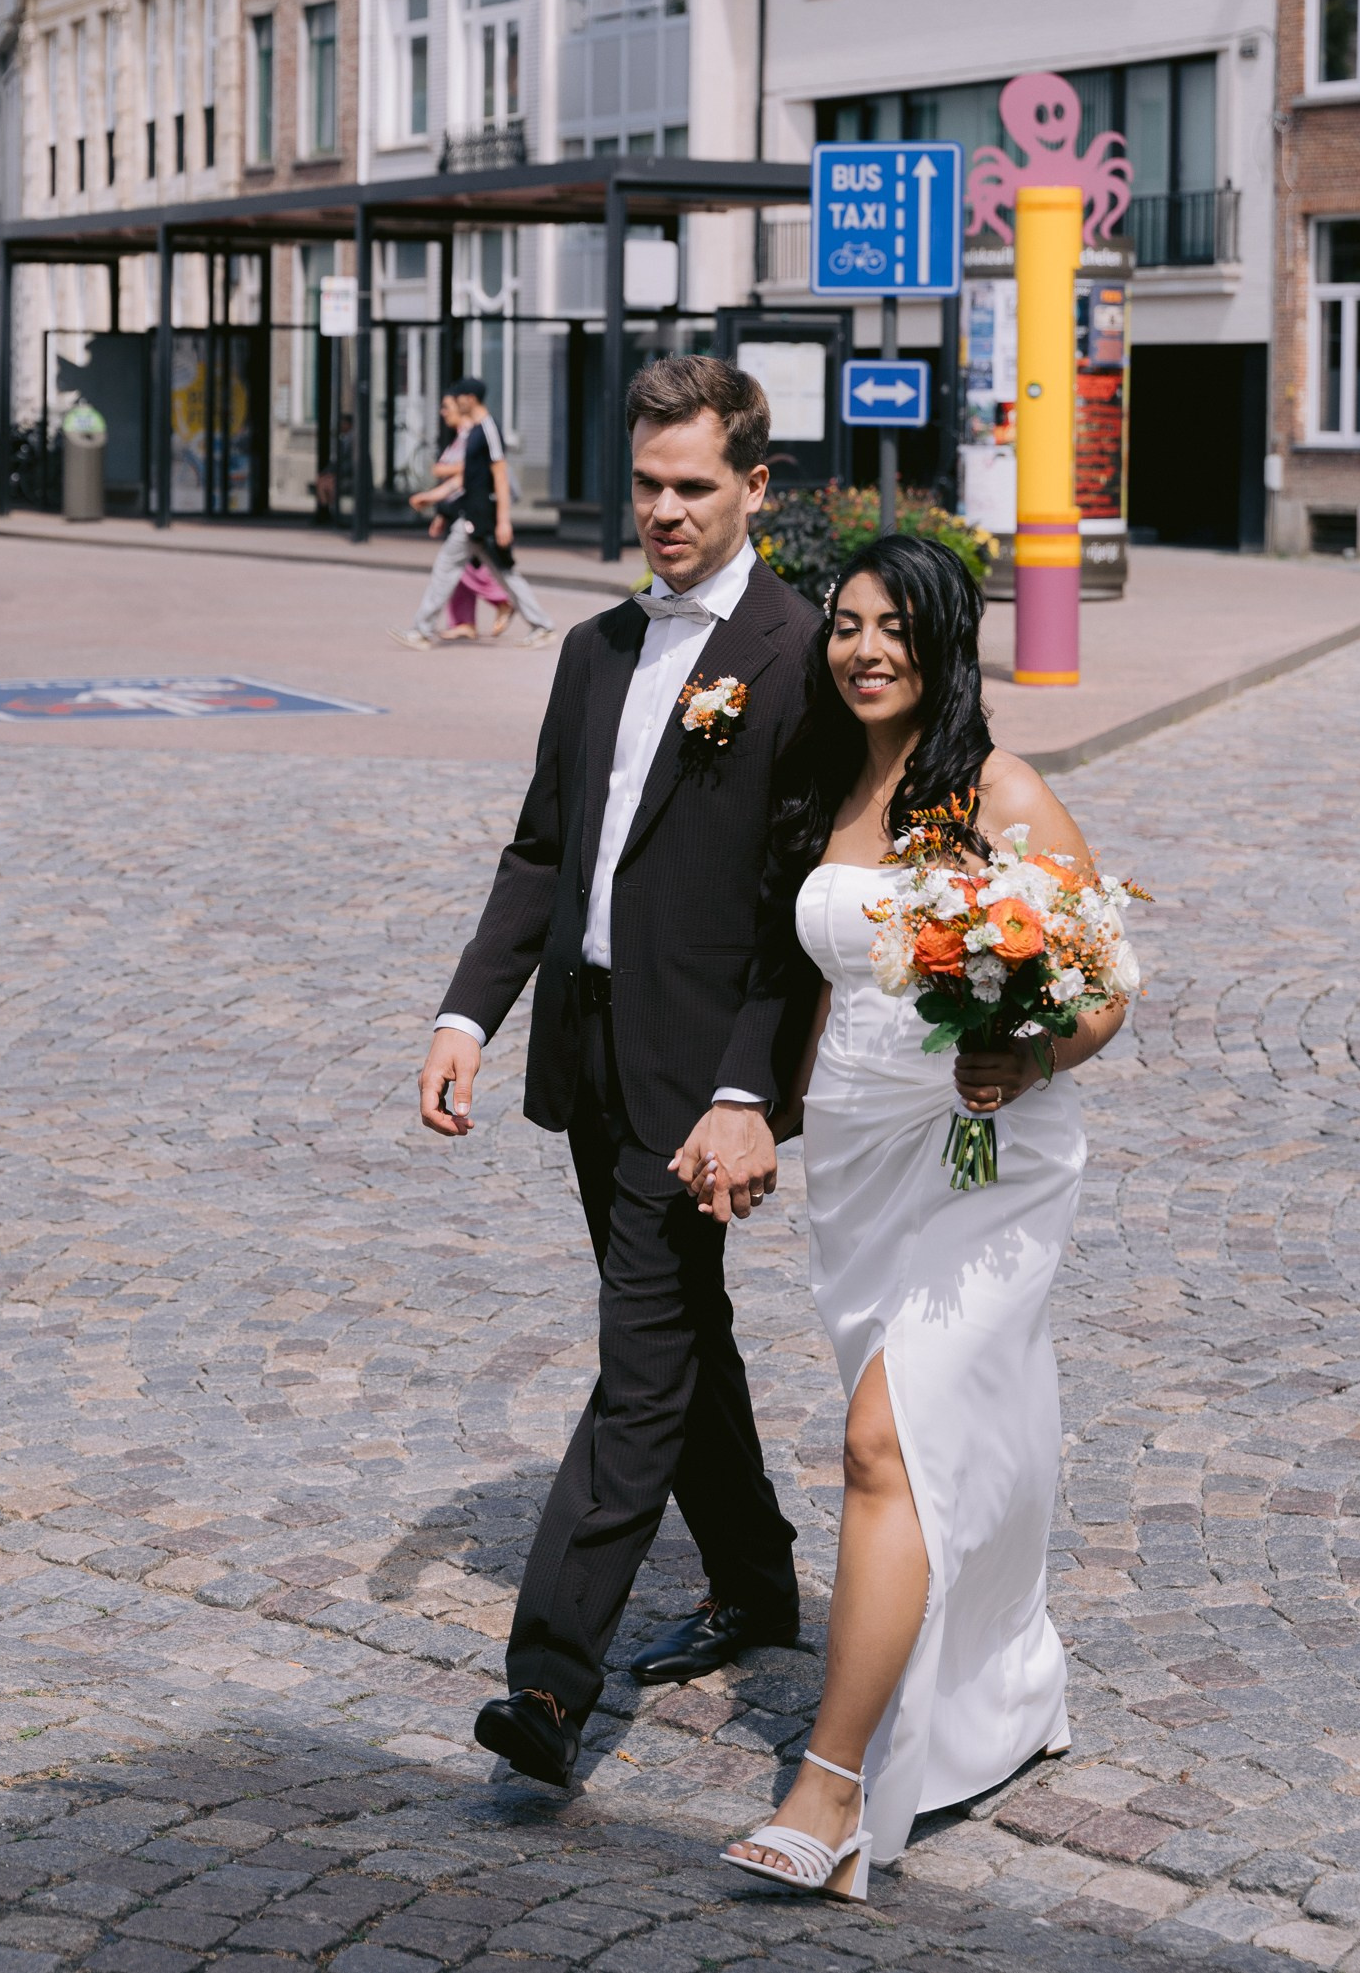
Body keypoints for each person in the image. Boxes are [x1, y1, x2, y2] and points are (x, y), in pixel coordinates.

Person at [416, 354, 821, 1786]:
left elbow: (797, 920)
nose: (663, 510)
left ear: (754, 486)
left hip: (703, 1078)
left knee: (638, 1358)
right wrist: (471, 1012)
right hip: (589, 1054)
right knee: (679, 1325)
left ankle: (548, 1681)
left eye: (692, 486)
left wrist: (745, 1092)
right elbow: (543, 852)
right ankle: (762, 1584)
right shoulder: (594, 653)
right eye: (646, 484)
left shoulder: (794, 655)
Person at [715, 534, 1126, 1901]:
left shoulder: (999, 792)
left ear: (944, 642)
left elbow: (1104, 989)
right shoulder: (824, 783)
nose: (864, 647)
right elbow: (813, 987)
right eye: (843, 623)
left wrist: (1028, 1053)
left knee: (883, 1438)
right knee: (940, 1447)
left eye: (894, 625)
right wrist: (757, 1114)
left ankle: (829, 1787)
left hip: (987, 1155)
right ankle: (1003, 1685)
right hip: (863, 1158)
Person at [395, 377, 553, 649]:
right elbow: (465, 479)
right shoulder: (474, 432)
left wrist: (503, 521)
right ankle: (542, 626)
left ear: (469, 398)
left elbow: (500, 475)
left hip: (482, 518)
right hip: (473, 516)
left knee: (454, 569)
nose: (453, 405)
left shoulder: (488, 429)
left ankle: (421, 631)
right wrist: (432, 498)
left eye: (457, 399)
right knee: (503, 573)